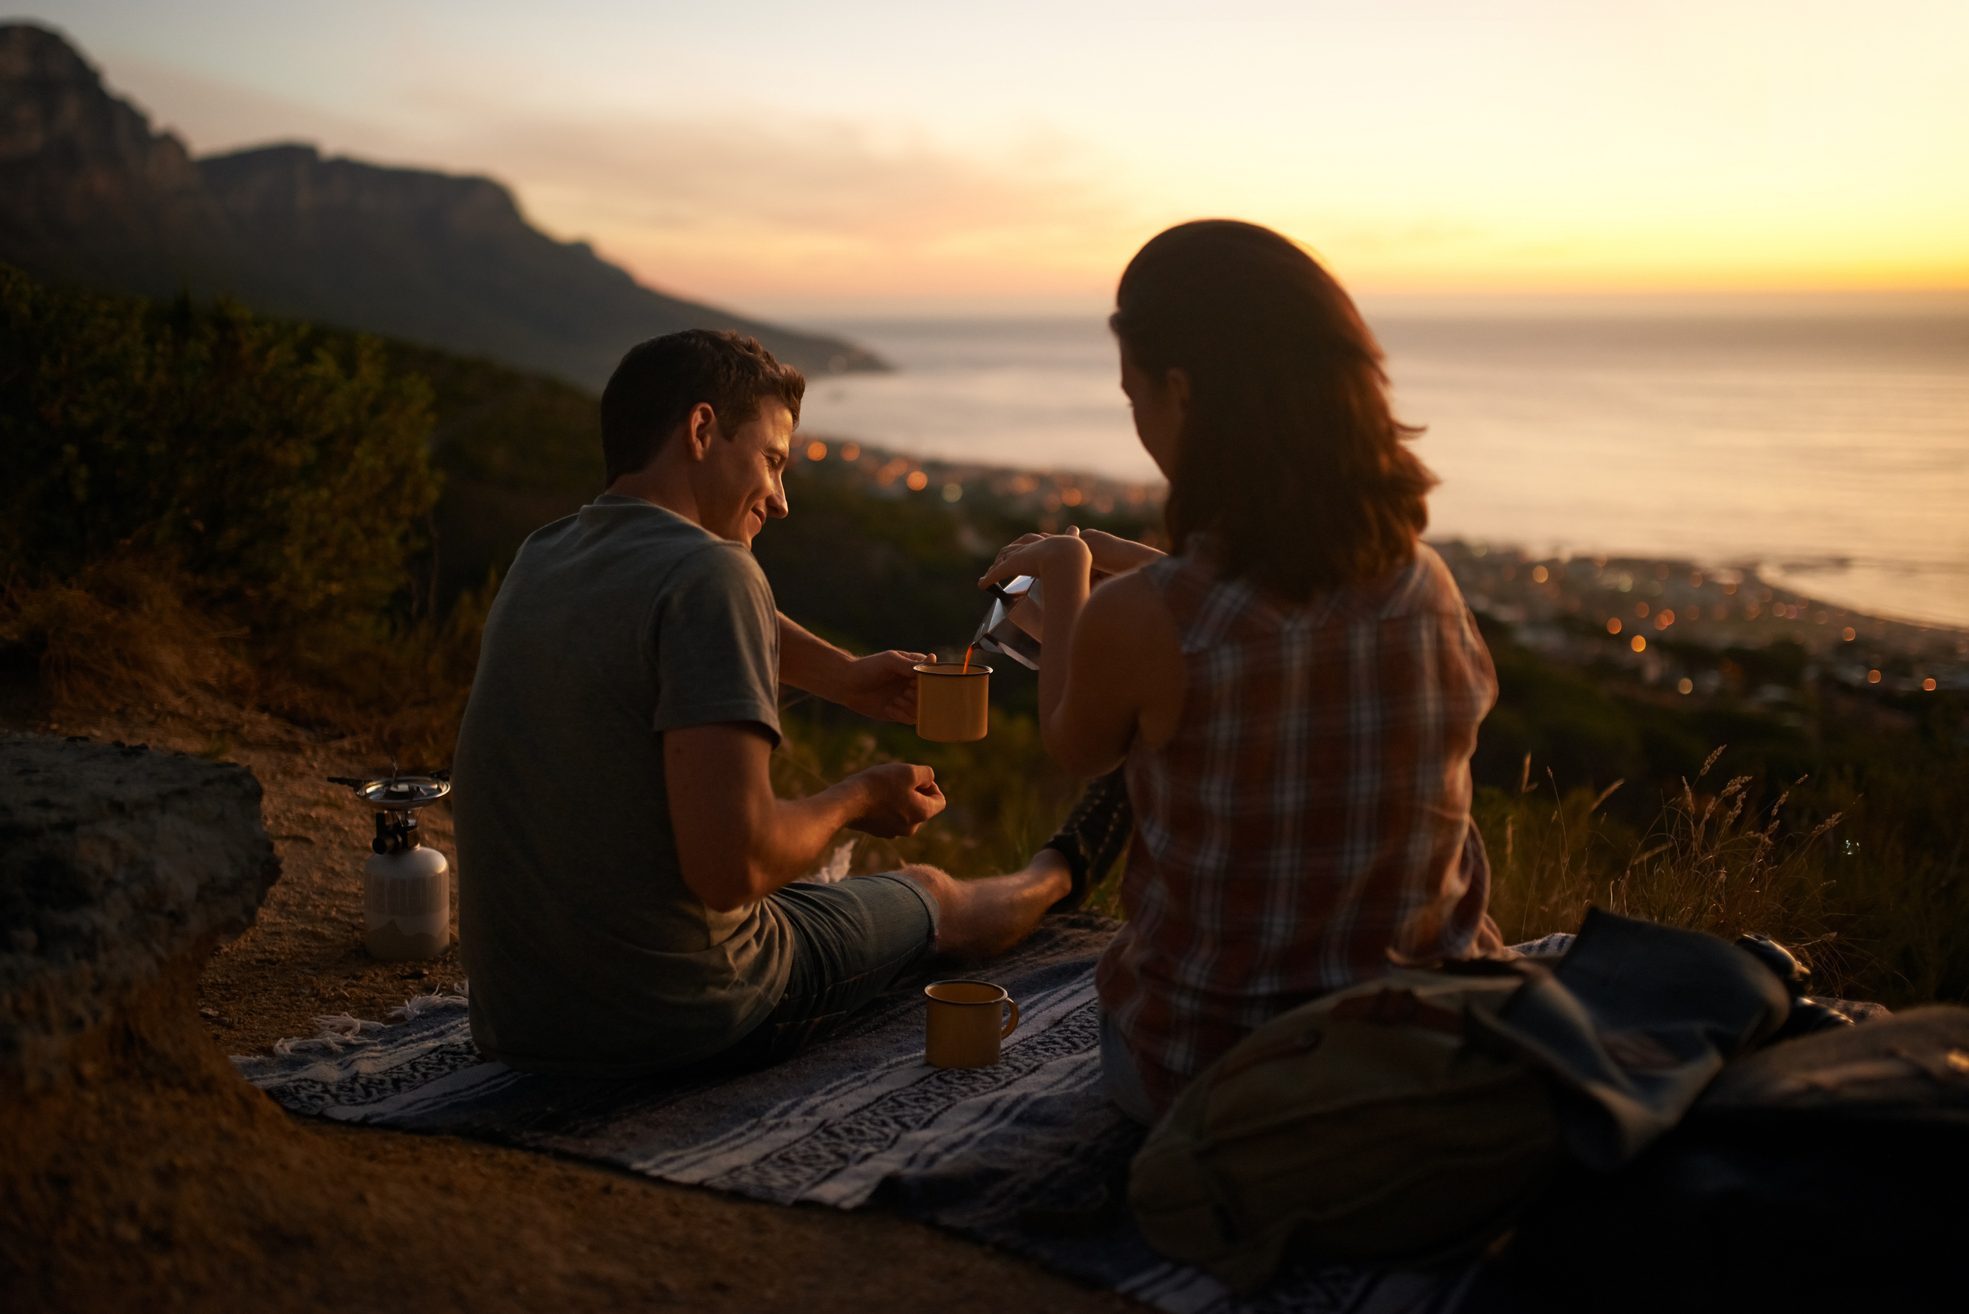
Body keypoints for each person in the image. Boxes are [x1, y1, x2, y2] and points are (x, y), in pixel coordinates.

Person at [452, 329, 1088, 1076]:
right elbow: (736, 869)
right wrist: (858, 797)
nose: (782, 501)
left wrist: (846, 676)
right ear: (700, 430)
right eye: (772, 461)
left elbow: (687, 623)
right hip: (680, 1013)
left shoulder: (546, 554)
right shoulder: (713, 573)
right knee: (929, 892)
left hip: (520, 1014)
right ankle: (1063, 871)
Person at [980, 220, 1504, 1122]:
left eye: (1132, 395)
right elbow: (1278, 614)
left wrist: (1066, 574)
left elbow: (1074, 740)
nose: (1136, 420)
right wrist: (1137, 565)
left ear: (1180, 393)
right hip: (1421, 1046)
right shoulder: (1424, 583)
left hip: (1208, 1072)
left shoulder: (1145, 620)